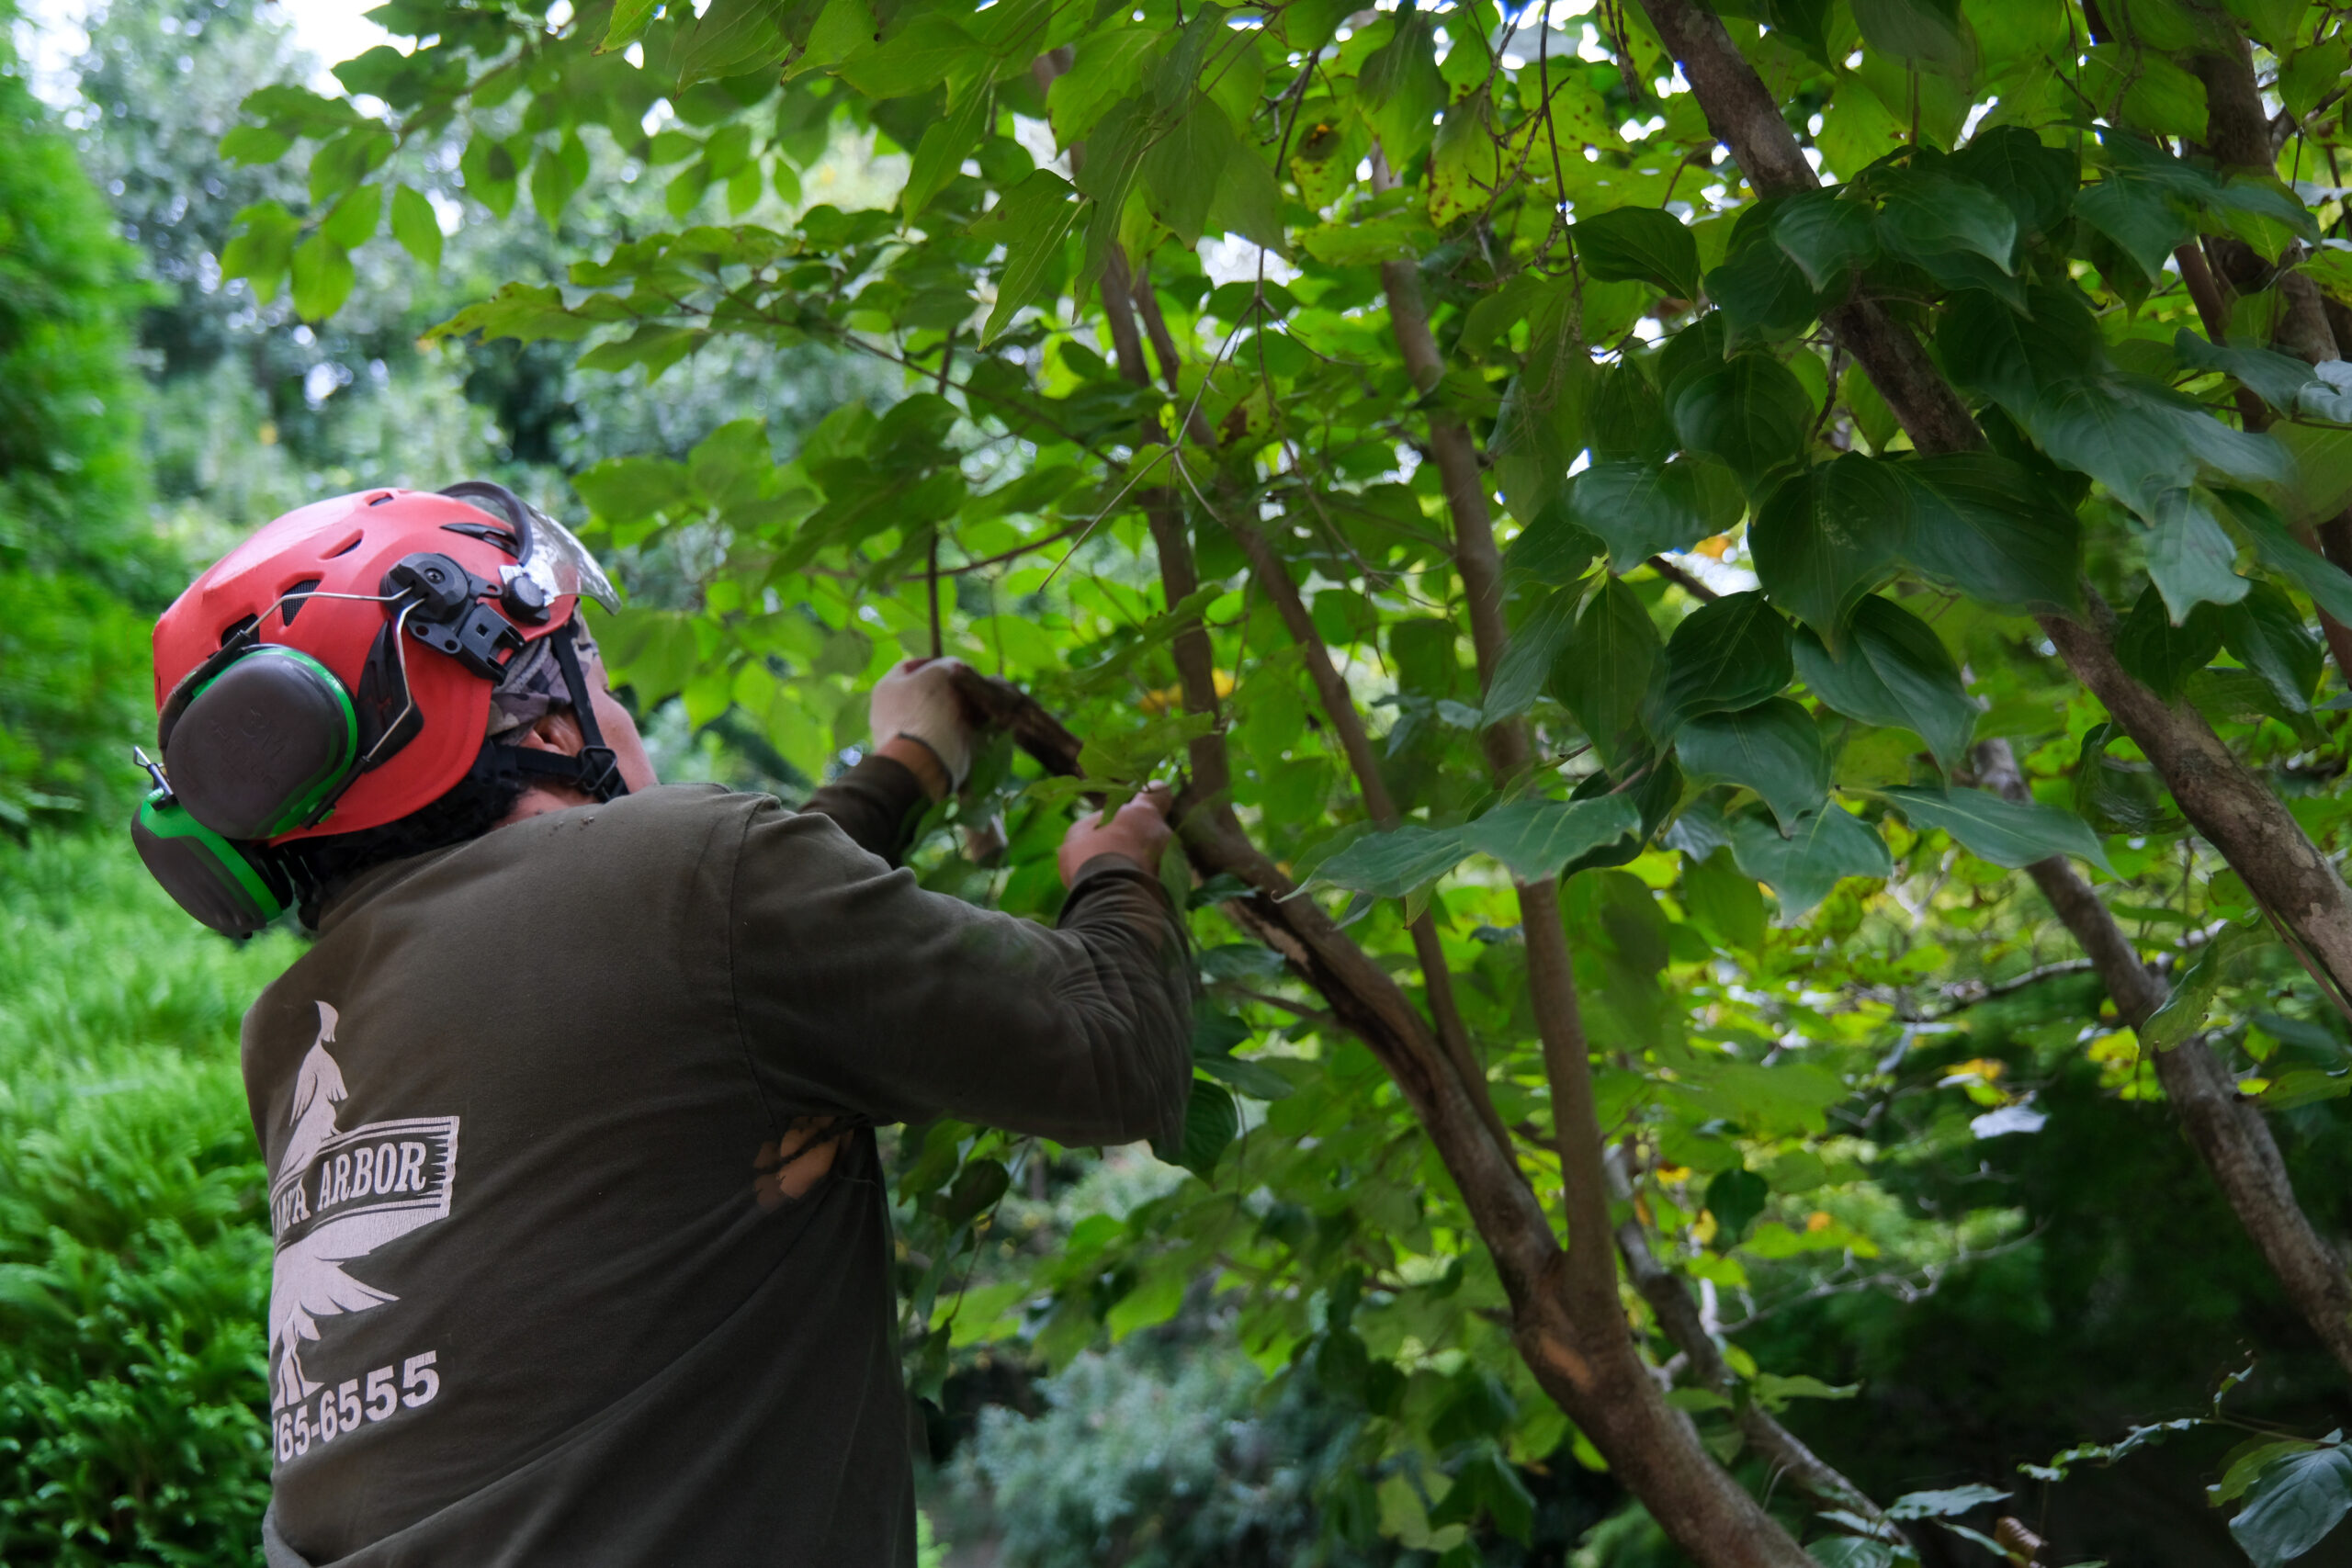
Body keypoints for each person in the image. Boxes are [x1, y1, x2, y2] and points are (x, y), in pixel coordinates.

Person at [131, 482, 1195, 1566]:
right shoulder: (686, 887)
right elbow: (1113, 1051)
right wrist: (1118, 875)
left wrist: (899, 775)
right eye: (595, 675)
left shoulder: (295, 1034)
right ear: (549, 725)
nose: (618, 708)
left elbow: (685, 975)